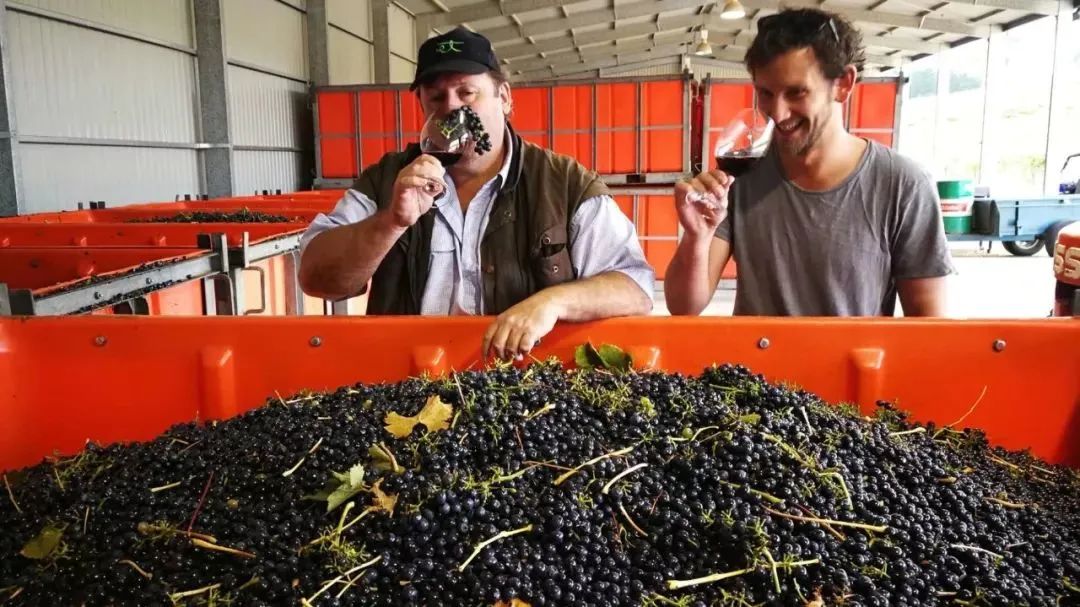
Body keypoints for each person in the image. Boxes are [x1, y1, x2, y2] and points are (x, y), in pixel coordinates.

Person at [299, 27, 654, 358]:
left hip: (526, 382)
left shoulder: (564, 182)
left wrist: (553, 302)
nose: (451, 109)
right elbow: (316, 279)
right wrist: (390, 223)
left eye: (467, 93)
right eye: (436, 97)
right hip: (409, 377)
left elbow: (634, 286)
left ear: (504, 97)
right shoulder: (387, 179)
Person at [664, 8, 955, 317]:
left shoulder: (903, 185)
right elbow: (683, 307)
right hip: (757, 352)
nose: (778, 113)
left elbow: (929, 324)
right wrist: (696, 238)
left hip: (853, 352)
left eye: (796, 92)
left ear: (843, 84)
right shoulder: (741, 177)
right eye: (765, 93)